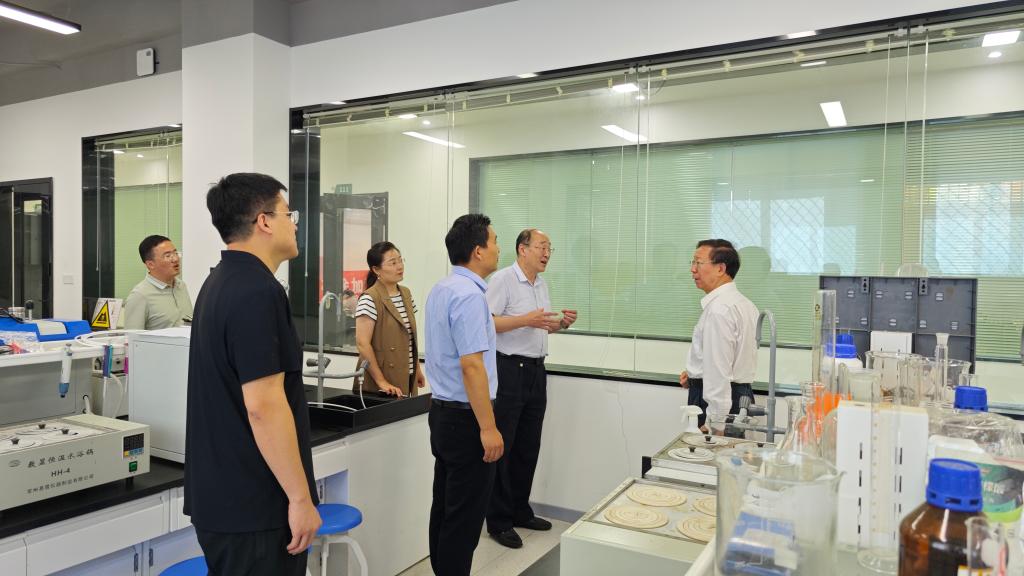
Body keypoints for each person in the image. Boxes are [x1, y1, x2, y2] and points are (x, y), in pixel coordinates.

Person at [184, 173, 320, 576]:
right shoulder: (257, 292)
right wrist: (300, 498)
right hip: (255, 507)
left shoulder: (218, 282)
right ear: (264, 221)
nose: (295, 224)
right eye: (288, 214)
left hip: (225, 501)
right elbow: (263, 406)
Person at [485, 229, 577, 549]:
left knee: (528, 445)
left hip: (537, 371)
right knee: (505, 446)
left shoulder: (541, 284)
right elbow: (487, 322)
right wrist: (526, 319)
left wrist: (561, 324)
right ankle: (498, 520)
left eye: (550, 248)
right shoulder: (503, 280)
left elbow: (540, 326)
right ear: (522, 249)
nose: (546, 253)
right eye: (541, 247)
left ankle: (519, 510)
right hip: (509, 370)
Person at [425, 213, 504, 576]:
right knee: (464, 518)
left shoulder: (442, 288)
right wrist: (488, 427)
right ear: (478, 251)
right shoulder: (470, 296)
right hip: (466, 418)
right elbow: (472, 366)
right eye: (495, 241)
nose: (498, 248)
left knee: (445, 506)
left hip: (443, 414)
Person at [678, 239, 759, 435]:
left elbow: (719, 372)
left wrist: (716, 424)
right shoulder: (745, 304)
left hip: (720, 403)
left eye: (698, 263)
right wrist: (696, 372)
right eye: (692, 262)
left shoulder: (719, 310)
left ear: (720, 268)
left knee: (715, 453)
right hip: (739, 396)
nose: (692, 269)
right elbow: (732, 358)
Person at [353, 241, 426, 397]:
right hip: (381, 382)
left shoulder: (406, 293)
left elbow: (409, 338)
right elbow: (362, 344)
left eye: (400, 260)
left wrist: (417, 369)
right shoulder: (369, 298)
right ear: (376, 269)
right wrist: (381, 382)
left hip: (406, 375)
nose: (400, 266)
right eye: (393, 263)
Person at [122, 235, 193, 330]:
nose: (176, 259)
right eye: (168, 256)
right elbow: (132, 337)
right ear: (150, 264)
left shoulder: (181, 286)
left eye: (175, 253)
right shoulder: (140, 295)